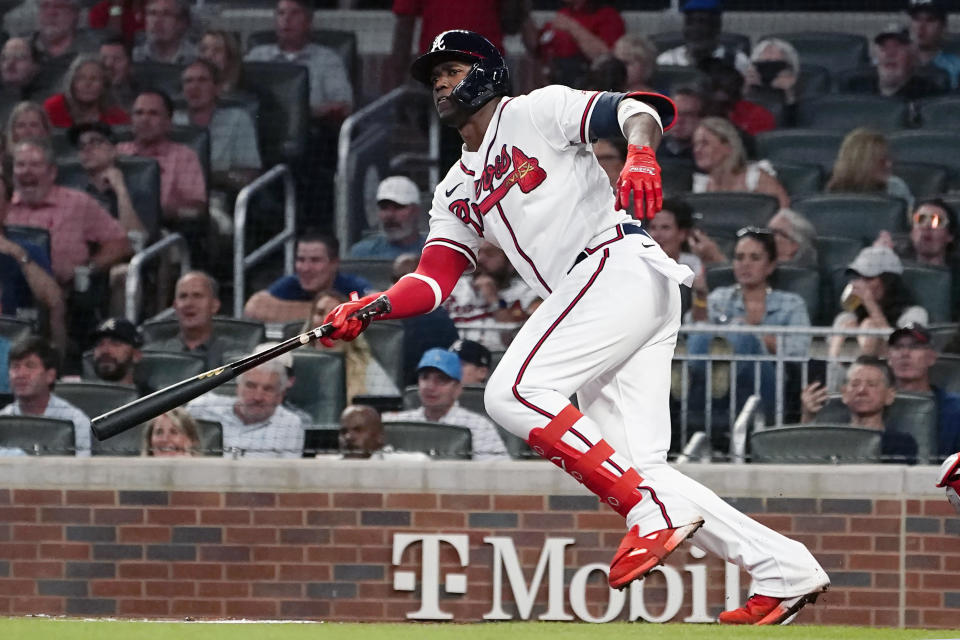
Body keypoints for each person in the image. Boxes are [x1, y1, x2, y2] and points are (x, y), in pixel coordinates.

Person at [321, 30, 828, 623]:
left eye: (452, 69)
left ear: (486, 71)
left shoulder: (535, 111)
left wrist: (639, 153)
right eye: (435, 74)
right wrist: (373, 306)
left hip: (616, 266)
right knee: (645, 469)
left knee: (511, 392)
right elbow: (432, 281)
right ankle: (784, 569)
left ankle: (645, 512)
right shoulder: (454, 188)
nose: (440, 82)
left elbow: (640, 110)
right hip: (609, 298)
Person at [686, 227, 811, 435]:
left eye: (754, 258)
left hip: (767, 383)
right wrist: (701, 296)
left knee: (742, 336)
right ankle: (712, 376)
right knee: (701, 332)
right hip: (713, 387)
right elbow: (696, 331)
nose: (745, 264)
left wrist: (754, 335)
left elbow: (799, 351)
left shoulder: (791, 304)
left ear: (770, 266)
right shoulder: (719, 297)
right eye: (739, 257)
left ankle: (718, 374)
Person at [7, 138, 132, 287]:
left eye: (35, 165)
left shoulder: (78, 202)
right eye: (21, 165)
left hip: (65, 290)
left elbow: (121, 243)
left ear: (52, 172)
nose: (27, 171)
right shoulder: (4, 204)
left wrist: (88, 268)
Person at [384, 348, 507, 460]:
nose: (430, 386)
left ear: (457, 389)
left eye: (441, 380)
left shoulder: (479, 426)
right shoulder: (398, 422)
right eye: (425, 377)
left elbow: (499, 472)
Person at [245, 0, 353, 122]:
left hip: (311, 129)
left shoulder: (327, 59)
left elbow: (343, 105)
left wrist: (304, 112)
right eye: (281, 13)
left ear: (308, 22)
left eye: (295, 13)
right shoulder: (258, 55)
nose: (286, 19)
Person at [800, 356, 917, 464]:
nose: (861, 391)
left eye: (872, 385)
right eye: (855, 384)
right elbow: (802, 461)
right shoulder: (830, 439)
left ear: (889, 396)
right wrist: (808, 417)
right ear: (844, 394)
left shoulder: (901, 444)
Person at [118, 89, 206, 224]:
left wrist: (162, 211)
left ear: (168, 122)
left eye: (153, 114)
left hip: (165, 230)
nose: (144, 120)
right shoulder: (118, 153)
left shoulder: (184, 156)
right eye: (139, 113)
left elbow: (197, 210)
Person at [0, 172, 66, 352]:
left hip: (13, 342)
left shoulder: (28, 249)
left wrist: (18, 255)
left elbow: (54, 301)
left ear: (7, 207)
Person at [187, 358, 304, 459]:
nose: (258, 397)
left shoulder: (290, 424)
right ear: (238, 388)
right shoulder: (201, 408)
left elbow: (289, 476)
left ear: (280, 396)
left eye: (268, 389)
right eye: (251, 386)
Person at [243, 232, 372, 324]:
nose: (305, 268)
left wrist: (285, 311)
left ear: (334, 264)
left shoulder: (352, 285)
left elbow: (377, 308)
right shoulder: (291, 283)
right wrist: (325, 311)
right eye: (300, 260)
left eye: (315, 260)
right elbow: (253, 307)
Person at [173, 59, 261, 192]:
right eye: (188, 81)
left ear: (217, 88)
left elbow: (250, 173)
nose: (194, 87)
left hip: (220, 194)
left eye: (202, 80)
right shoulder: (173, 121)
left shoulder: (237, 119)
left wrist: (217, 177)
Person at [829, 246, 928, 365]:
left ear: (889, 281)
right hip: (852, 378)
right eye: (859, 277)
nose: (861, 284)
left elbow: (905, 350)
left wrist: (871, 305)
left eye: (868, 278)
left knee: (870, 325)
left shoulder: (914, 314)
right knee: (861, 324)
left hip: (895, 375)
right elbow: (832, 360)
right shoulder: (847, 318)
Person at [301, 290, 400, 401]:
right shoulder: (297, 364)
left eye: (335, 314)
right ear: (311, 321)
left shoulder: (366, 366)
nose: (326, 321)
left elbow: (391, 406)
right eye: (320, 313)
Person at [1, 335, 90, 456]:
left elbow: (84, 471)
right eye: (15, 367)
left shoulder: (75, 422)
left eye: (30, 366)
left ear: (50, 376)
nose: (20, 374)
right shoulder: (3, 420)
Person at [442, 241, 540, 351]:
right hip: (453, 358)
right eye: (478, 253)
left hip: (500, 360)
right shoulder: (454, 288)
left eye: (490, 253)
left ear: (511, 261)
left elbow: (518, 339)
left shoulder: (528, 295)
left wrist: (494, 298)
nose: (479, 259)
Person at [886, 324, 960, 458]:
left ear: (931, 357)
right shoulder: (873, 404)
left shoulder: (956, 409)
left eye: (914, 347)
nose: (905, 353)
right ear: (889, 357)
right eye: (898, 347)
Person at [390, 252, 460, 387]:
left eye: (408, 279)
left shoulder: (437, 319)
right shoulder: (382, 311)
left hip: (427, 383)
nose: (400, 284)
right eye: (396, 279)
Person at [68, 121, 146, 236]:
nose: (87, 148)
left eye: (95, 142)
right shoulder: (72, 191)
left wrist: (121, 190)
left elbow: (136, 238)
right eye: (81, 146)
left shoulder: (138, 188)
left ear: (114, 151)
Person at [691, 116, 789, 208]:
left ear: (728, 147)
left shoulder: (756, 178)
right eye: (695, 144)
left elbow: (784, 213)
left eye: (705, 143)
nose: (697, 150)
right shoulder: (701, 187)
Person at [149, 271, 228, 370]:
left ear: (214, 306)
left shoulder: (232, 355)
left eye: (197, 296)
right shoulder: (155, 355)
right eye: (183, 296)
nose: (189, 303)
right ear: (175, 306)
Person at [535, 0, 626, 86]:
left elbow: (607, 57)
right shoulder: (563, 13)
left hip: (588, 84)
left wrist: (571, 26)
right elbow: (537, 47)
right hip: (551, 80)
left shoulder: (607, 15)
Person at [845, 24, 945, 101]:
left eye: (898, 47)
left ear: (914, 57)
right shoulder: (855, 91)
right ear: (876, 57)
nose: (890, 54)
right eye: (884, 47)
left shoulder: (929, 95)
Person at [826, 128, 913, 212]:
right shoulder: (833, 195)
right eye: (881, 161)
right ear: (862, 163)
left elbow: (914, 218)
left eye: (889, 158)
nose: (889, 164)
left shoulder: (896, 187)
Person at [656, 0, 751, 74]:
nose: (695, 29)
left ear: (716, 27)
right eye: (690, 22)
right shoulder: (666, 61)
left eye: (702, 22)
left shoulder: (737, 61)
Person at [349, 176, 426, 259]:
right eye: (384, 207)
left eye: (398, 207)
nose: (389, 215)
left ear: (416, 211)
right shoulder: (361, 254)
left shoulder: (436, 251)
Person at [43, 54, 130, 128]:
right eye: (81, 78)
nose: (87, 84)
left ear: (104, 85)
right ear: (72, 83)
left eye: (94, 79)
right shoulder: (52, 108)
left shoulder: (117, 117)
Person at [331, 404, 429, 461]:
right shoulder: (328, 468)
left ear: (380, 436)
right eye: (343, 432)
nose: (348, 437)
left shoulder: (406, 465)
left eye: (358, 430)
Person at [744, 38, 801, 125]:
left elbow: (796, 127)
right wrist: (744, 88)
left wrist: (790, 94)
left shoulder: (802, 89)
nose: (769, 70)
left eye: (776, 65)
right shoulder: (745, 87)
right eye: (764, 64)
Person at [908, 0, 960, 89]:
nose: (921, 27)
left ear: (943, 26)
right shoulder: (893, 61)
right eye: (916, 19)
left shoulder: (955, 66)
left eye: (930, 20)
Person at [30, 0, 100, 64]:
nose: (50, 12)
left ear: (76, 13)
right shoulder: (26, 49)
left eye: (60, 6)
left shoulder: (94, 53)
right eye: (45, 6)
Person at [647, 197, 702, 276]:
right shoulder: (637, 264)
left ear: (682, 234)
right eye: (653, 227)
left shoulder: (693, 266)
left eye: (665, 227)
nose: (657, 235)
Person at [132, 0, 196, 64]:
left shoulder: (197, 58)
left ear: (182, 23)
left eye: (166, 14)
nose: (157, 21)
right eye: (152, 13)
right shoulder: (134, 57)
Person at [88, 316, 141, 388]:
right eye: (99, 344)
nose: (105, 351)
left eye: (115, 343)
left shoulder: (152, 397)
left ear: (136, 355)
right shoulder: (80, 396)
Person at [659, 83, 703, 161]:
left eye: (688, 115)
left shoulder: (705, 155)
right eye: (675, 113)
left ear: (700, 118)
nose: (679, 120)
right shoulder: (653, 147)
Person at [198, 29, 242, 95]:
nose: (208, 55)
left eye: (217, 50)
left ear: (230, 57)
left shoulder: (249, 90)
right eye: (204, 49)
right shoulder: (184, 87)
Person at [99, 36, 138, 111]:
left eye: (117, 59)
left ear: (130, 64)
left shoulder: (141, 95)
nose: (108, 64)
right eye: (104, 58)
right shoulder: (90, 94)